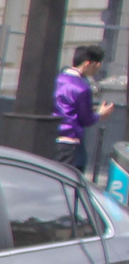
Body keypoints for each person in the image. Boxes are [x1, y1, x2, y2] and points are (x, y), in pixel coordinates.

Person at [53, 44, 115, 174]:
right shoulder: (82, 87)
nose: (97, 70)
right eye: (97, 65)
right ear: (88, 64)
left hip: (51, 136)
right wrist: (99, 114)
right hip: (70, 141)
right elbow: (86, 119)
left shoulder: (57, 79)